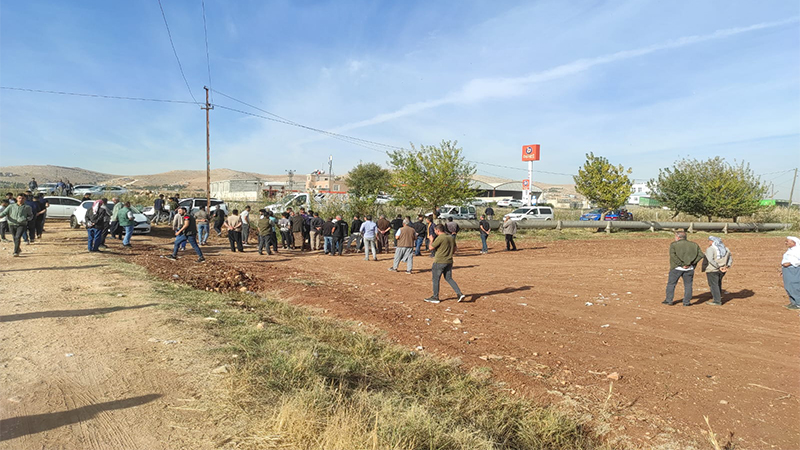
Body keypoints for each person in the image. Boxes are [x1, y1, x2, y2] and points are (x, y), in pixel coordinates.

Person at [425, 224, 466, 304]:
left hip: (439, 261)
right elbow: (454, 249)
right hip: (449, 261)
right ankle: (459, 293)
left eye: (435, 230)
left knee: (436, 279)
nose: (434, 232)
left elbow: (431, 248)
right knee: (449, 278)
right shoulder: (451, 237)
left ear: (438, 230)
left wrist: (431, 240)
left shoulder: (440, 238)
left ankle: (435, 297)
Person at [663, 231, 704, 306]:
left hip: (676, 268)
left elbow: (673, 256)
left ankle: (669, 300)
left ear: (678, 237)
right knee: (688, 285)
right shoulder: (694, 245)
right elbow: (701, 255)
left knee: (671, 284)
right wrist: (691, 263)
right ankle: (686, 302)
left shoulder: (674, 245)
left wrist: (682, 264)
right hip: (689, 269)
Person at [702, 236, 733, 306]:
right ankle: (717, 297)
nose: (708, 242)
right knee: (718, 283)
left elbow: (710, 260)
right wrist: (727, 266)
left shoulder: (710, 249)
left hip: (713, 269)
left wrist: (718, 267)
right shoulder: (726, 249)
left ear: (712, 242)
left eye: (709, 241)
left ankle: (717, 300)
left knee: (713, 284)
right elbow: (730, 258)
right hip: (723, 269)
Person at [781, 236, 800, 310]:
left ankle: (798, 303)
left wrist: (790, 263)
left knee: (794, 286)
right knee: (788, 286)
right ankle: (793, 302)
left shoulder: (798, 250)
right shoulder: (790, 250)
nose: (786, 242)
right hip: (787, 270)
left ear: (793, 243)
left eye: (788, 241)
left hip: (794, 270)